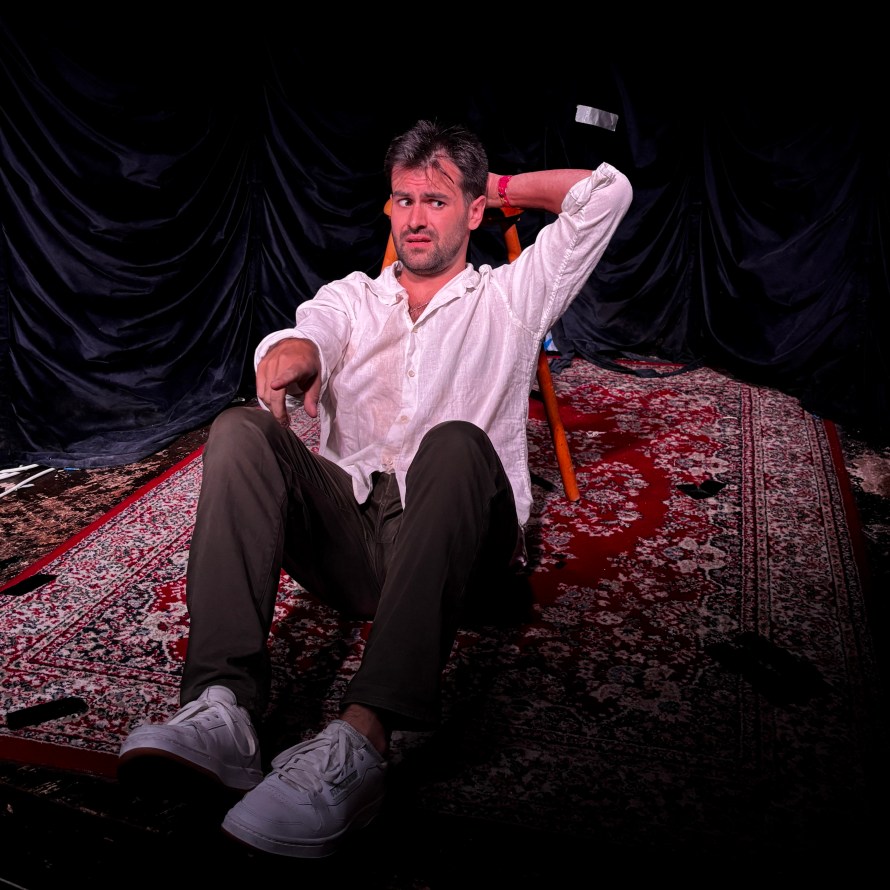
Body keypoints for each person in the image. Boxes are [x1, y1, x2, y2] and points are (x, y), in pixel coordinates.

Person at [117, 119, 632, 858]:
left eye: (435, 200)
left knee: (455, 444)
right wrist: (290, 351)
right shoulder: (353, 297)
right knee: (237, 429)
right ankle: (221, 708)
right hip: (356, 545)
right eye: (402, 200)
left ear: (474, 211)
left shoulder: (514, 298)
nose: (416, 218)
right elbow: (310, 332)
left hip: (463, 556)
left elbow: (607, 195)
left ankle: (361, 741)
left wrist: (495, 184)